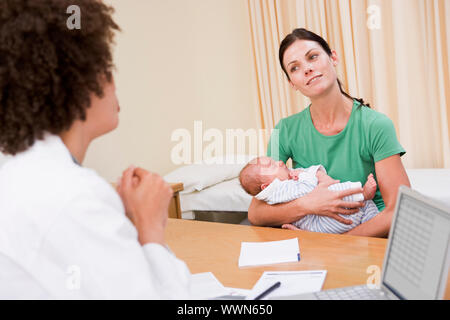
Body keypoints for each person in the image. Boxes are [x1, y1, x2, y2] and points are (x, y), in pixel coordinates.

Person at [0, 0, 190, 299]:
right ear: (78, 82)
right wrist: (151, 228)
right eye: (106, 68)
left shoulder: (22, 177)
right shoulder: (72, 195)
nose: (114, 82)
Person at [247, 28, 411, 237]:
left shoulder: (375, 125)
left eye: (313, 57)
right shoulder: (285, 129)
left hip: (369, 236)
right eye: (295, 68)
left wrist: (340, 244)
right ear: (291, 83)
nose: (307, 69)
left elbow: (398, 208)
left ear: (333, 57)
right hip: (316, 240)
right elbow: (256, 213)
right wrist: (309, 204)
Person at [239, 156, 379, 234]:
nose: (280, 162)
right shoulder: (278, 190)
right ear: (266, 186)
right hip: (324, 222)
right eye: (273, 165)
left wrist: (312, 174)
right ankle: (363, 193)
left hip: (340, 221)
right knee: (336, 191)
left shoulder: (288, 178)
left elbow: (311, 178)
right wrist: (305, 176)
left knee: (368, 209)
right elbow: (309, 191)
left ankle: (367, 206)